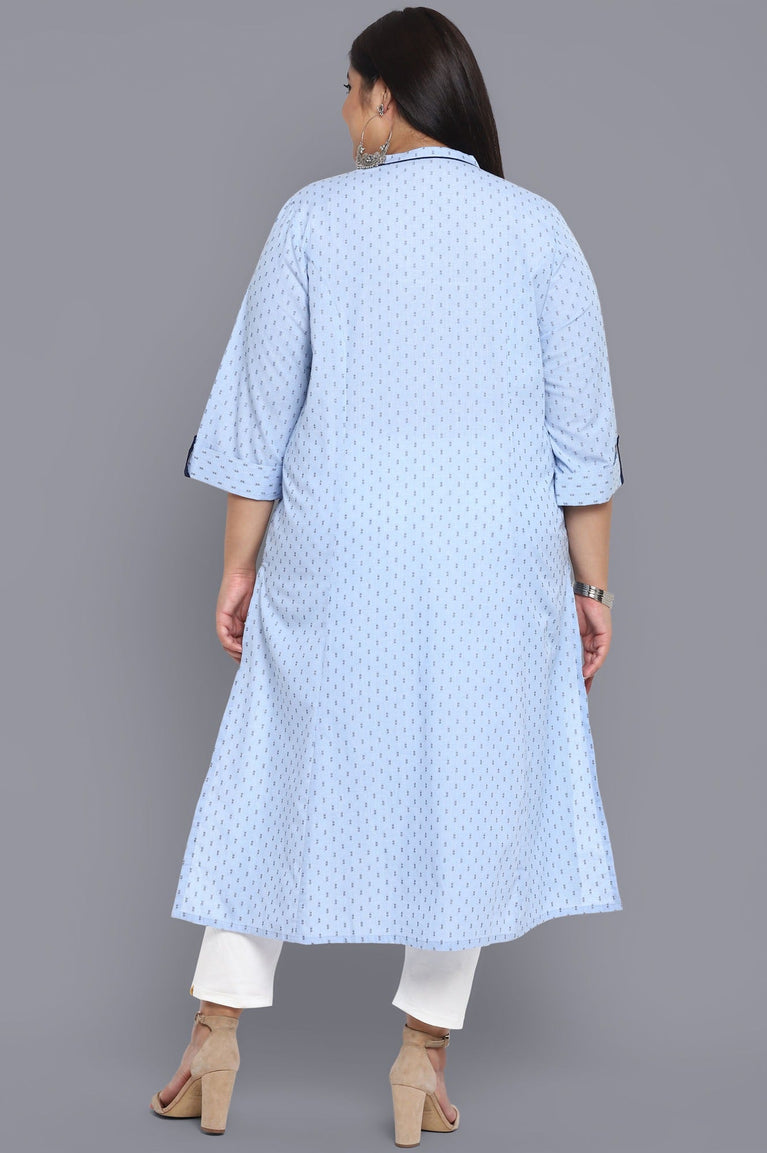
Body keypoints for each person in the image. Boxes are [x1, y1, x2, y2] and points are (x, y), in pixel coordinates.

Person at [149, 6, 625, 1143]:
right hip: (492, 561)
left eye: (348, 89)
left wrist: (237, 567)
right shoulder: (536, 229)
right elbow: (584, 439)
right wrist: (592, 591)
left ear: (381, 98)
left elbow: (258, 417)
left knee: (271, 769)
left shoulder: (312, 220)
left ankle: (214, 1038)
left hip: (338, 549)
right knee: (469, 787)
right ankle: (422, 1060)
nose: (343, 111)